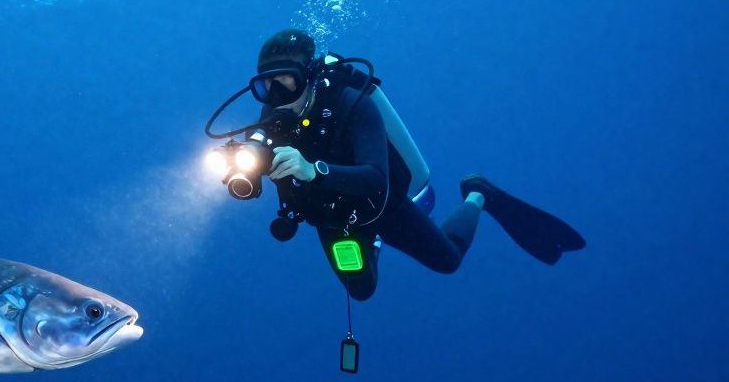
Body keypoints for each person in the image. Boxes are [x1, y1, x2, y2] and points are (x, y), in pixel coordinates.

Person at [246, 28, 584, 301]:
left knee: (448, 260)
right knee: (361, 290)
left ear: (309, 76)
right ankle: (373, 242)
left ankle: (478, 193)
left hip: (381, 205)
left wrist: (312, 170)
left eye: (286, 82)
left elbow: (376, 178)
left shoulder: (354, 106)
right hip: (331, 216)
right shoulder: (270, 122)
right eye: (265, 87)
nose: (276, 96)